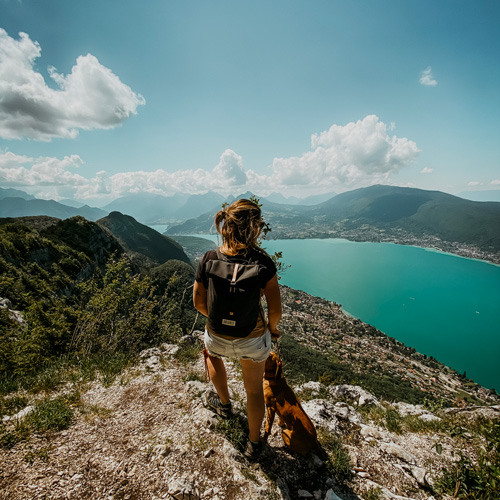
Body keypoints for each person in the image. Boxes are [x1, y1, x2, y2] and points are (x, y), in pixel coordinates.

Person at [193, 198, 282, 459]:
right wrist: (271, 329)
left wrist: (216, 321)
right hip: (252, 339)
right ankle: (254, 444)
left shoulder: (209, 258)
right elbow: (275, 311)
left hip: (217, 335)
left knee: (211, 354)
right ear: (255, 228)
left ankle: (224, 404)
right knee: (254, 390)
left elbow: (198, 302)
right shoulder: (263, 264)